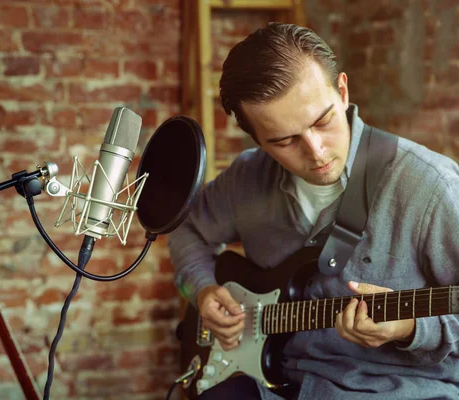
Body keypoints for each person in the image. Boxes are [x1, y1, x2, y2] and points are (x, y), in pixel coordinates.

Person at [168, 22, 459, 399]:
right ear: (258, 140)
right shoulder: (247, 177)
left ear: (342, 90)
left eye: (323, 122)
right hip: (274, 382)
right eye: (285, 140)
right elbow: (187, 230)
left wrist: (410, 329)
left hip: (396, 389)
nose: (317, 152)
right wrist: (203, 291)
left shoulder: (430, 185)